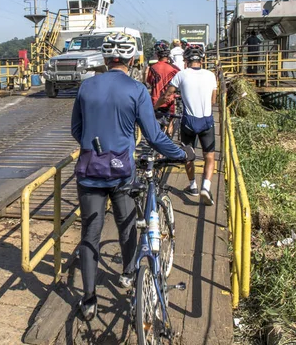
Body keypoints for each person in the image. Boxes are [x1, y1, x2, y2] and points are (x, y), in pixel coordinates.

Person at [71, 32, 195, 321]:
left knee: (90, 233)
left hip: (89, 171)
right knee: (126, 225)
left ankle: (88, 300)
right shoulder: (137, 90)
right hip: (121, 171)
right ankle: (128, 275)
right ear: (131, 59)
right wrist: (181, 153)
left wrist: (94, 146)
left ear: (104, 58)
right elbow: (153, 136)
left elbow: (76, 130)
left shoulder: (86, 87)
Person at [155, 46, 217, 206]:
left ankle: (193, 186)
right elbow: (213, 101)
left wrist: (154, 106)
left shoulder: (180, 75)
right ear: (201, 60)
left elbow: (167, 95)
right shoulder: (211, 75)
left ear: (186, 61)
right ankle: (206, 187)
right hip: (207, 121)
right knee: (209, 157)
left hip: (188, 122)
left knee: (188, 155)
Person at [146, 40, 180, 135]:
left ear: (157, 54)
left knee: (156, 128)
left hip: (156, 101)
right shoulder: (174, 68)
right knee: (170, 119)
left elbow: (149, 81)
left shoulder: (153, 67)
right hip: (169, 101)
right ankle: (169, 127)